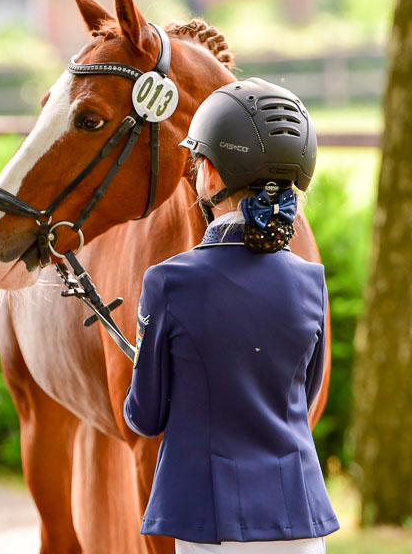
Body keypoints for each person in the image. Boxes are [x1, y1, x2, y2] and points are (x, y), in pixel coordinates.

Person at [123, 78, 340, 553]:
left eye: (198, 160)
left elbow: (145, 416)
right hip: (300, 519)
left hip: (210, 522)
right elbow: (301, 397)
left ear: (212, 175)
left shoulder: (168, 282)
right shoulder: (312, 281)